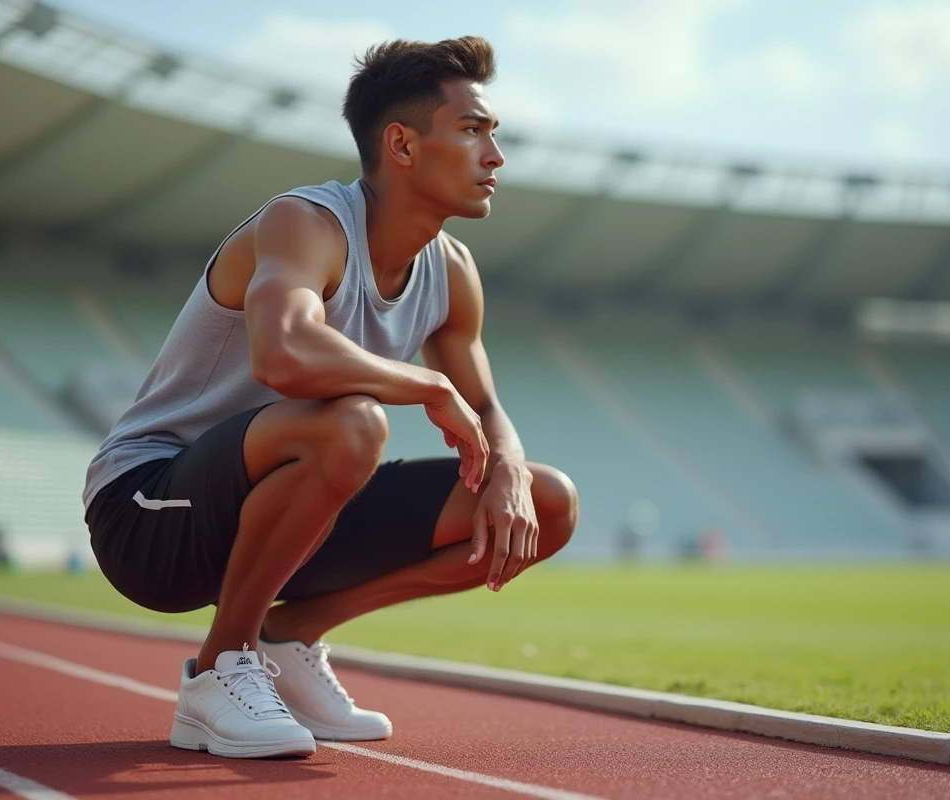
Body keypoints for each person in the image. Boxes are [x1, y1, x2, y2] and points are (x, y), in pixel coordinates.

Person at [82, 36, 578, 759]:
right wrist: (428, 384)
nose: (496, 156)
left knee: (548, 501)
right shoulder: (306, 223)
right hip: (149, 511)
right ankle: (219, 669)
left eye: (493, 134)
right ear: (402, 144)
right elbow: (284, 353)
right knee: (353, 423)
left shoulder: (452, 271)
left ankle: (290, 633)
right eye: (473, 131)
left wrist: (505, 467)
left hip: (294, 511)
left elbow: (487, 408)